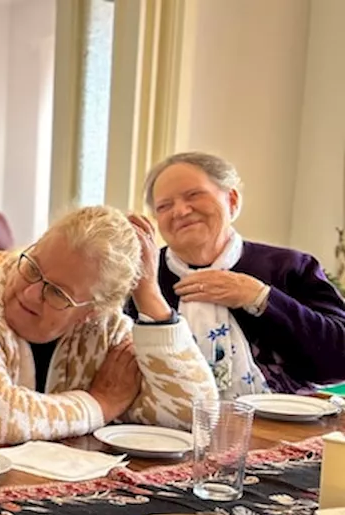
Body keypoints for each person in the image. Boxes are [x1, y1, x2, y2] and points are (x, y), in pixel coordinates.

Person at [0, 206, 217, 447]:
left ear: (91, 312)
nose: (31, 293)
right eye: (32, 267)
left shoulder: (105, 329)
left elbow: (194, 415)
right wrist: (99, 406)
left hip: (23, 500)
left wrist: (150, 299)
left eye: (57, 293)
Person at [141, 151, 345, 396]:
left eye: (194, 195)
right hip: (164, 427)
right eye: (165, 206)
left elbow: (338, 360)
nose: (181, 211)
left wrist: (260, 298)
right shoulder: (143, 277)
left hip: (284, 427)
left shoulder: (289, 267)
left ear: (232, 200)